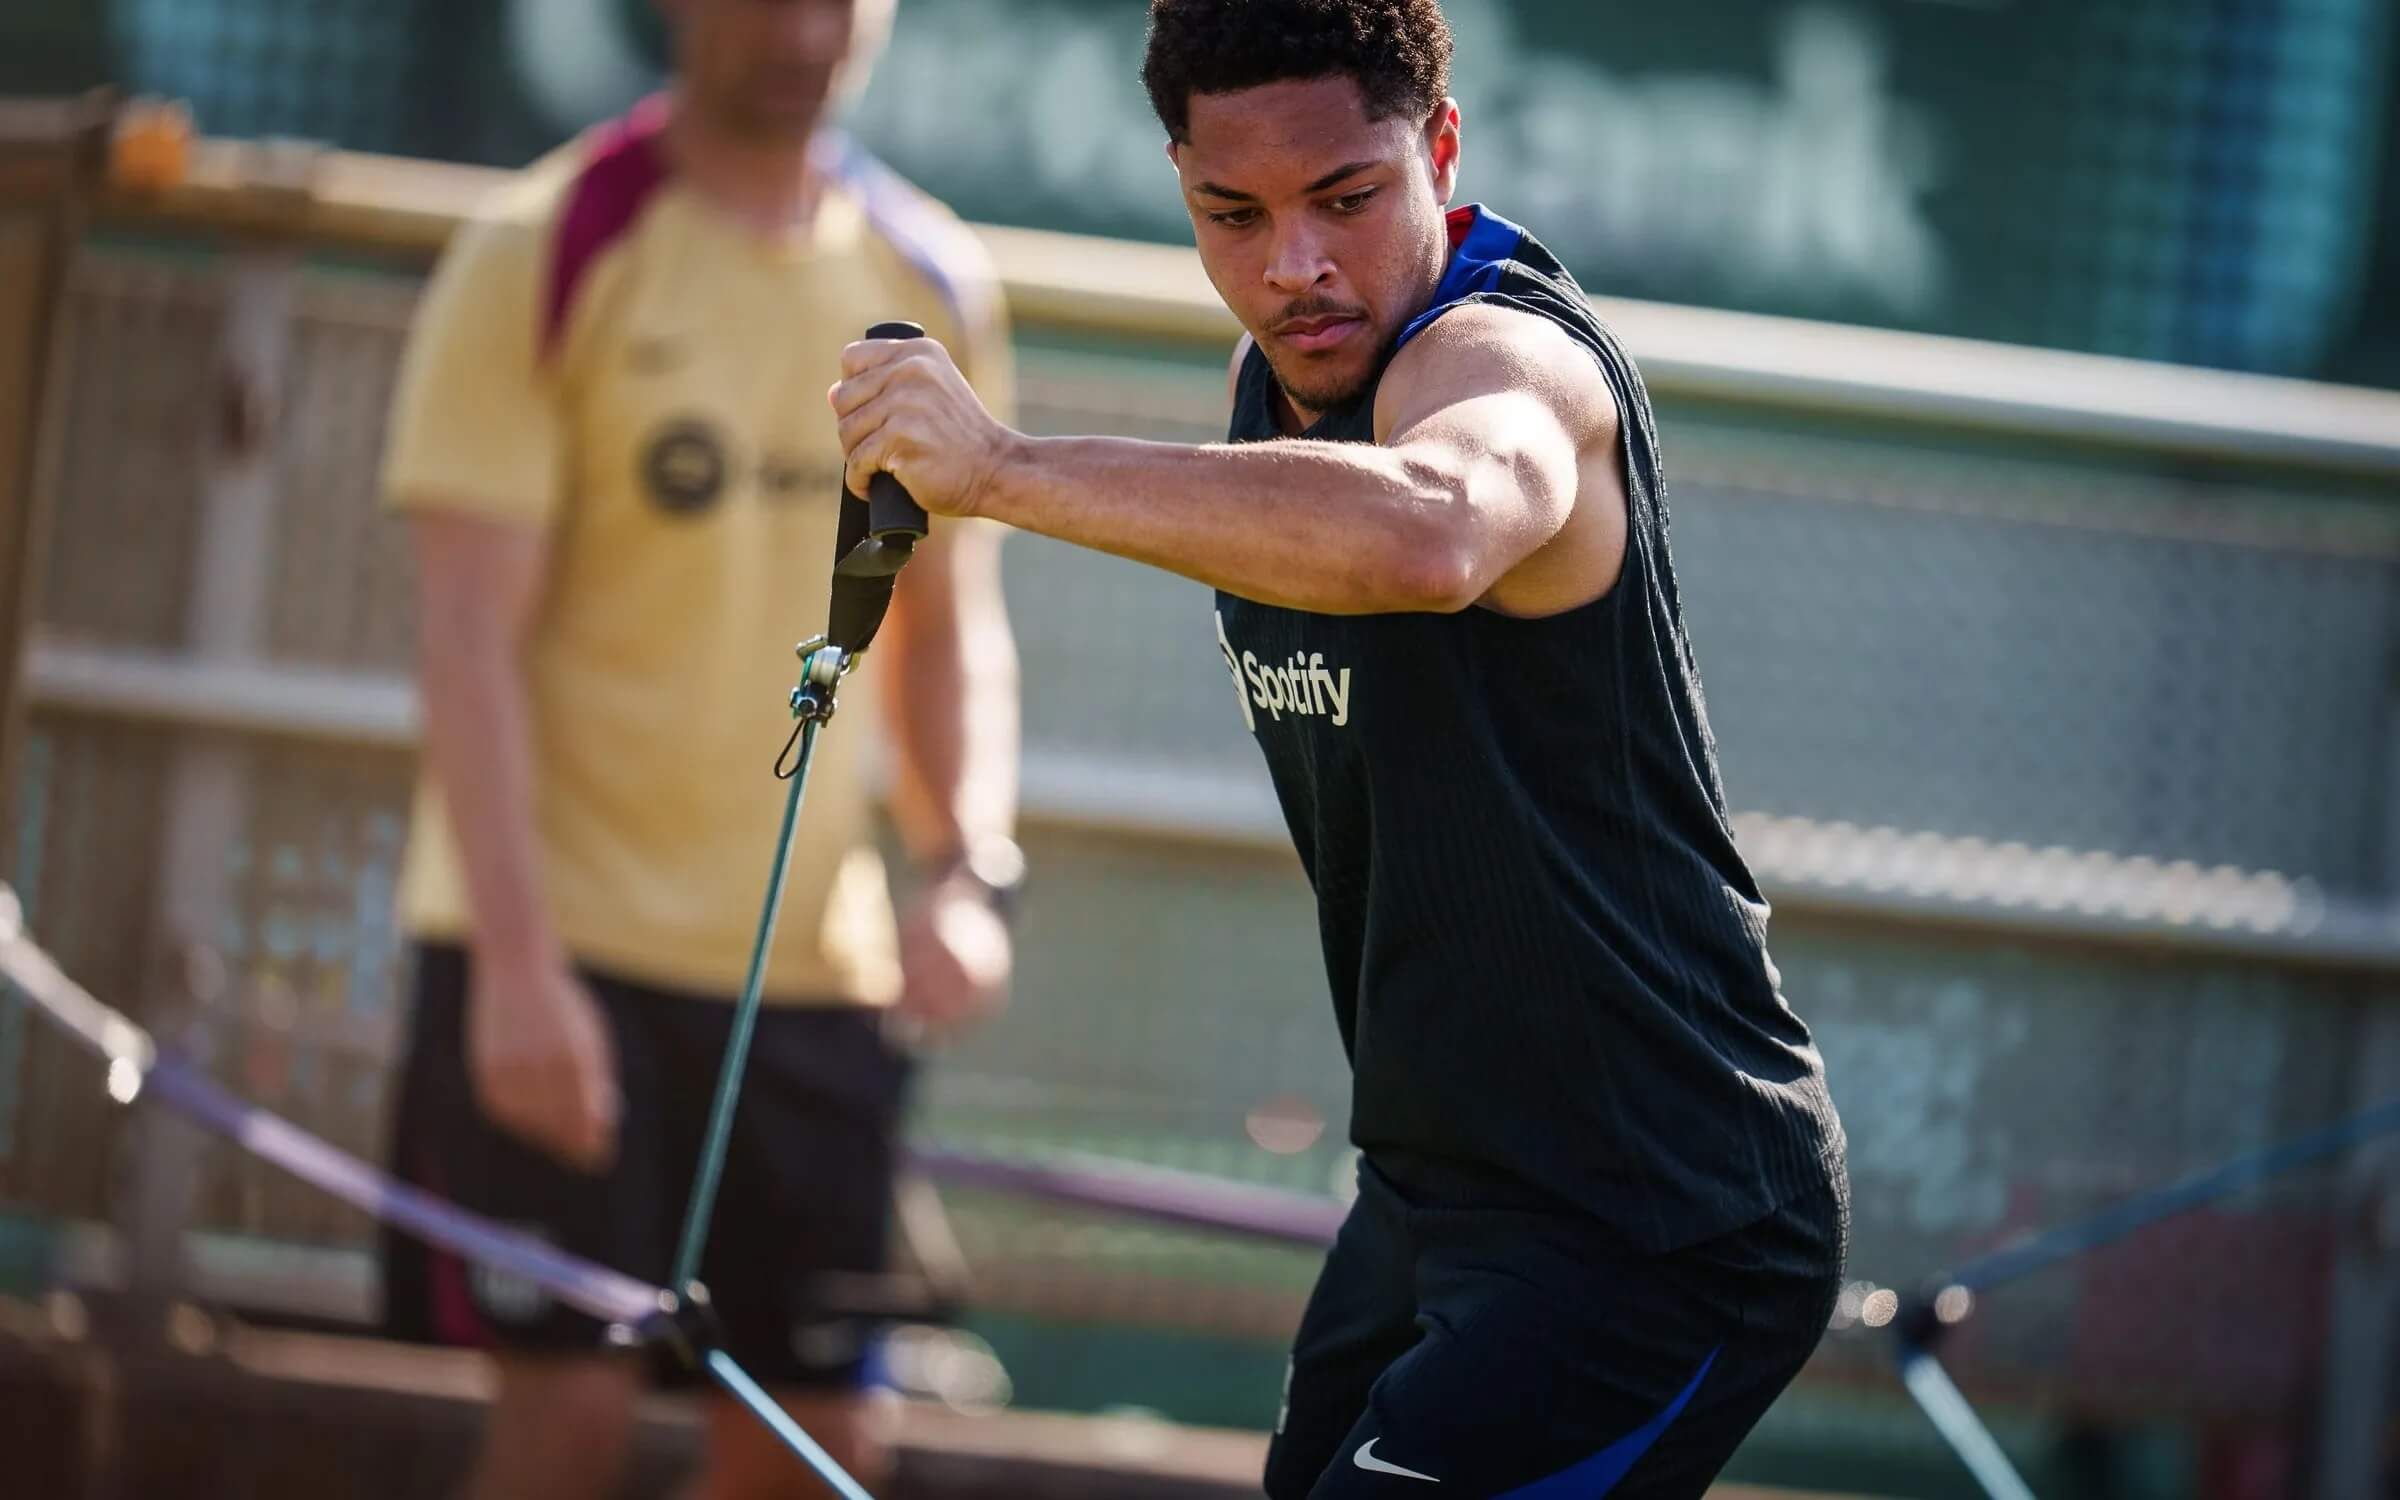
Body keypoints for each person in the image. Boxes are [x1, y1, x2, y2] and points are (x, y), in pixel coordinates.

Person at [828, 1, 1845, 1494]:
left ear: (1441, 148)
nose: (1293, 265)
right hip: (1437, 1192)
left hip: (1662, 1216)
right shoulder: (1279, 391)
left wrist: (1002, 470)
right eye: (1231, 215)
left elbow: (1434, 529)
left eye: (1347, 200)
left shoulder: (1502, 361)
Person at [376, 1, 1023, 1496]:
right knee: (564, 1427)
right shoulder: (547, 244)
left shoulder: (929, 278)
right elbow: (465, 641)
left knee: (815, 1444)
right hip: (560, 963)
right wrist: (518, 970)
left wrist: (967, 872)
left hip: (812, 981)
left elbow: (948, 629)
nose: (801, 25)